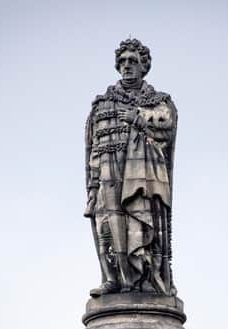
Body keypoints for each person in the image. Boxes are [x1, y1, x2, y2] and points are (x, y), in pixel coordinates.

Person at [84, 39, 177, 297]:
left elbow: (165, 132)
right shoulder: (102, 105)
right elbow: (93, 150)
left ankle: (144, 279)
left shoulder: (157, 102)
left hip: (141, 181)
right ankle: (113, 278)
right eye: (123, 61)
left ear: (143, 66)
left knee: (140, 230)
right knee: (107, 229)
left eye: (133, 61)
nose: (127, 66)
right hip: (107, 177)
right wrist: (93, 187)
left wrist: (138, 119)